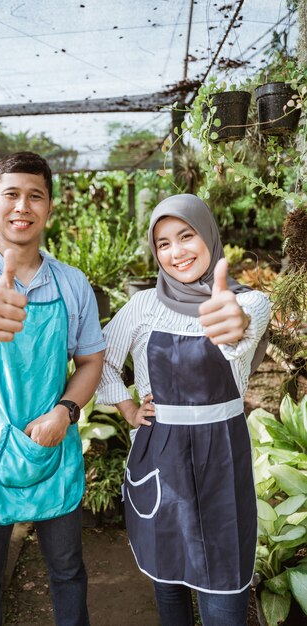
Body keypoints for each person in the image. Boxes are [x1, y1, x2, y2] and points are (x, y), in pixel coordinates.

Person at [0, 151, 105, 626]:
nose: (22, 206)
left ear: (49, 207)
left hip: (50, 445)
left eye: (35, 196)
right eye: (11, 194)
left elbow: (91, 360)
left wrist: (66, 411)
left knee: (68, 571)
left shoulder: (71, 284)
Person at [97, 194, 270, 626]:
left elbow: (239, 330)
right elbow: (99, 362)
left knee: (224, 588)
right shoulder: (143, 306)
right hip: (160, 462)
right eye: (164, 244)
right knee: (168, 581)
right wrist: (129, 409)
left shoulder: (249, 303)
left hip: (222, 463)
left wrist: (232, 324)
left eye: (187, 236)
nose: (177, 253)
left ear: (208, 235)